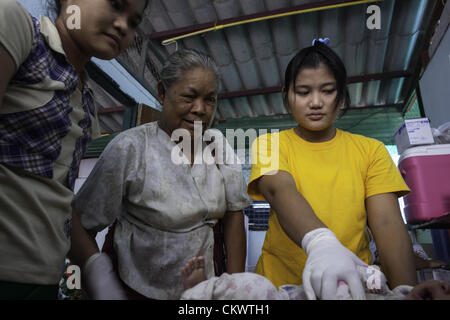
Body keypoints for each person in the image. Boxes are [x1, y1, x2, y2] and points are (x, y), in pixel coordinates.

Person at [69, 48, 252, 300]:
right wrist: (97, 277)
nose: (200, 109)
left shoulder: (217, 144)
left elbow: (234, 217)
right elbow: (79, 222)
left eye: (210, 99)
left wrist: (233, 288)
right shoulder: (131, 147)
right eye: (189, 96)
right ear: (162, 93)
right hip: (135, 287)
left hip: (204, 289)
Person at [246, 38, 418, 300]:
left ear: (341, 95)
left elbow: (387, 224)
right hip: (280, 288)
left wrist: (407, 292)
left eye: (327, 91)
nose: (316, 102)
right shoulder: (270, 144)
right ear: (286, 96)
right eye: (303, 92)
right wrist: (320, 242)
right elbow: (280, 191)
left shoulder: (371, 150)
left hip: (353, 289)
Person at [0, 0, 148, 300]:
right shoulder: (17, 29)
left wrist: (94, 264)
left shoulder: (88, 106)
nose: (122, 25)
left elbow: (56, 197)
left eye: (134, 22)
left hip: (41, 281)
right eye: (115, 5)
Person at [180, 256, 450, 300]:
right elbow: (372, 276)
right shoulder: (393, 294)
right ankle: (202, 291)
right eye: (447, 287)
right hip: (289, 295)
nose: (443, 289)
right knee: (255, 287)